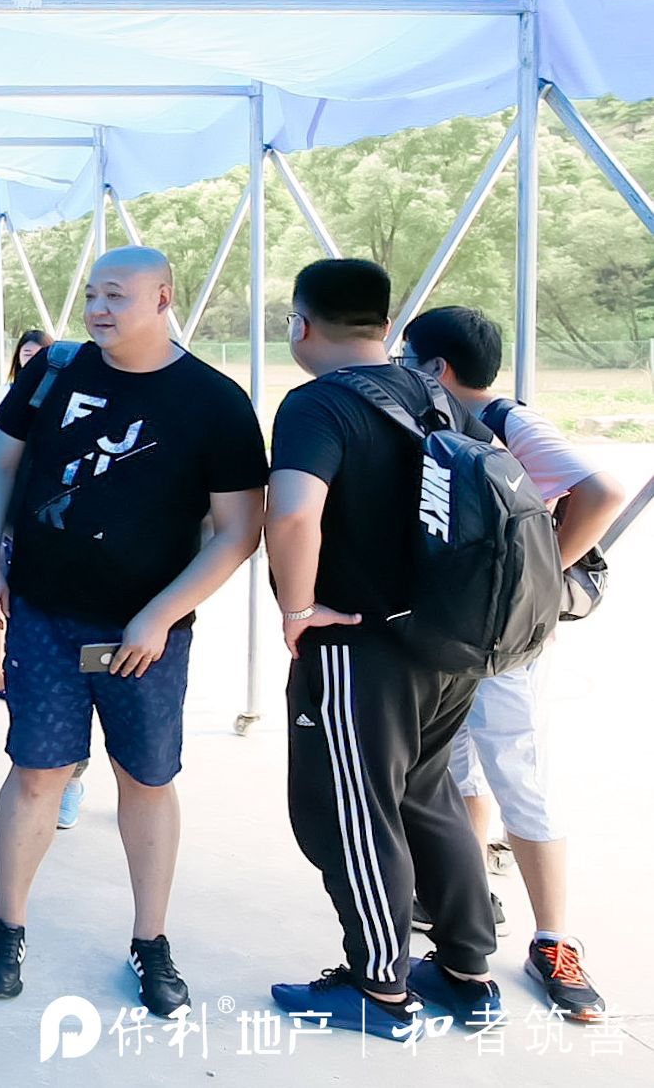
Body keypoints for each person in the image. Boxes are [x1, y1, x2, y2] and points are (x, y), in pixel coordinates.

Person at [0, 246, 265, 1018]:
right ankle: (6, 925)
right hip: (42, 614)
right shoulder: (53, 371)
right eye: (93, 294)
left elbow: (238, 530)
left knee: (146, 778)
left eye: (117, 295)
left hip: (147, 635)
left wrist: (159, 613)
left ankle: (150, 938)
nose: (98, 309)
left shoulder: (213, 400)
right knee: (37, 771)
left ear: (163, 297)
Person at [264, 262, 506, 1038]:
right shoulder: (435, 394)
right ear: (385, 322)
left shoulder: (316, 402)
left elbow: (293, 513)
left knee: (355, 811)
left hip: (359, 642)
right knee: (427, 797)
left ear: (301, 324)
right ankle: (467, 972)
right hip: (447, 640)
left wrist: (296, 607)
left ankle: (379, 987)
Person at [399, 306, 620, 1023]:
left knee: (520, 777)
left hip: (506, 644)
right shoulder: (439, 419)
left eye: (409, 358)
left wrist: (539, 586)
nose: (402, 369)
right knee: (457, 770)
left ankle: (554, 940)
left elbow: (602, 492)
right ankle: (466, 901)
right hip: (456, 635)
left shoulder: (508, 420)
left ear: (436, 367)